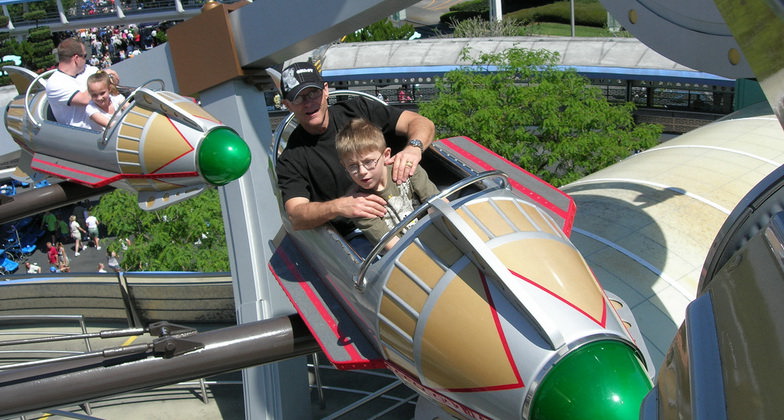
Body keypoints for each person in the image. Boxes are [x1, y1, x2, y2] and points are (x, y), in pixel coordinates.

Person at [274, 61, 435, 236]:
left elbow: (420, 122)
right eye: (298, 98)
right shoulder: (291, 158)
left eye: (313, 93)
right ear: (287, 105)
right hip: (357, 233)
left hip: (409, 205)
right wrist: (340, 206)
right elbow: (296, 215)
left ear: (326, 90)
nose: (308, 103)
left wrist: (413, 148)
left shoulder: (359, 110)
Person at [336, 119, 440, 251]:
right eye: (352, 166)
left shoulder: (408, 170)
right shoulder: (360, 206)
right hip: (405, 253)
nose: (362, 171)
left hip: (435, 234)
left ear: (386, 155)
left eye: (368, 162)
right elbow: (393, 246)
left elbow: (439, 205)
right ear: (344, 166)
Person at [45, 37, 120, 129]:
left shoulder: (89, 69)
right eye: (84, 56)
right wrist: (103, 75)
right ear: (76, 58)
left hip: (111, 122)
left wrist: (113, 80)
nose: (86, 60)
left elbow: (109, 88)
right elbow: (86, 99)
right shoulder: (55, 83)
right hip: (85, 134)